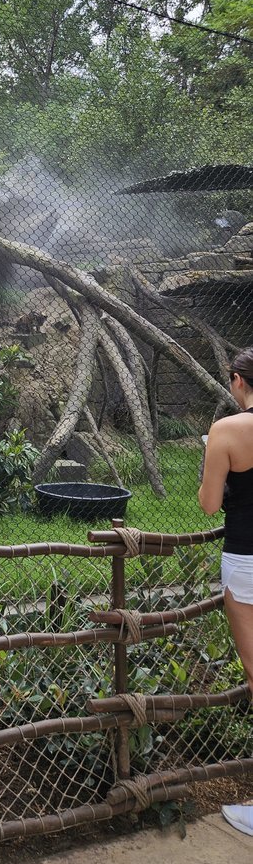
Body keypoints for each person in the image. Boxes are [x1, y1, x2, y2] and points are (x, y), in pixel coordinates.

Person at [198, 347, 253, 837]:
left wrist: (212, 459)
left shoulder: (227, 431)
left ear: (238, 381)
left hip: (247, 564)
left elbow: (208, 504)